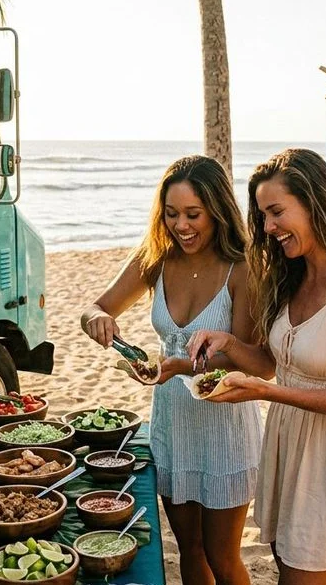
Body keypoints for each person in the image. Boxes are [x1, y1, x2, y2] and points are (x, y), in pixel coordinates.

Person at [187, 148, 326, 584]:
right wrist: (229, 343)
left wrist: (266, 393)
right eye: (262, 215)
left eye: (276, 211)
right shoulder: (292, 274)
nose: (268, 228)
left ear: (314, 201)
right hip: (285, 447)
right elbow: (269, 363)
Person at [79, 155, 261, 585]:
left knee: (222, 557)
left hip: (226, 426)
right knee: (188, 550)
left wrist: (181, 365)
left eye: (193, 214)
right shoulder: (155, 258)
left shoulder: (243, 267)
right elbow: (94, 307)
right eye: (172, 213)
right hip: (172, 423)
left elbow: (247, 355)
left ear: (217, 210)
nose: (182, 225)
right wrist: (98, 321)